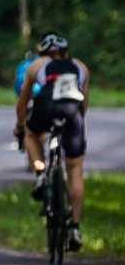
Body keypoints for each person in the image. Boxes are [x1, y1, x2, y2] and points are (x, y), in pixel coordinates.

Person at [15, 32, 89, 251]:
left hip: (46, 108)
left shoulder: (36, 66)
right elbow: (84, 103)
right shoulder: (81, 67)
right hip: (72, 112)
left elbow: (23, 102)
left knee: (30, 133)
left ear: (43, 52)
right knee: (75, 169)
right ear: (66, 52)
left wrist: (20, 126)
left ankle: (40, 173)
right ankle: (74, 226)